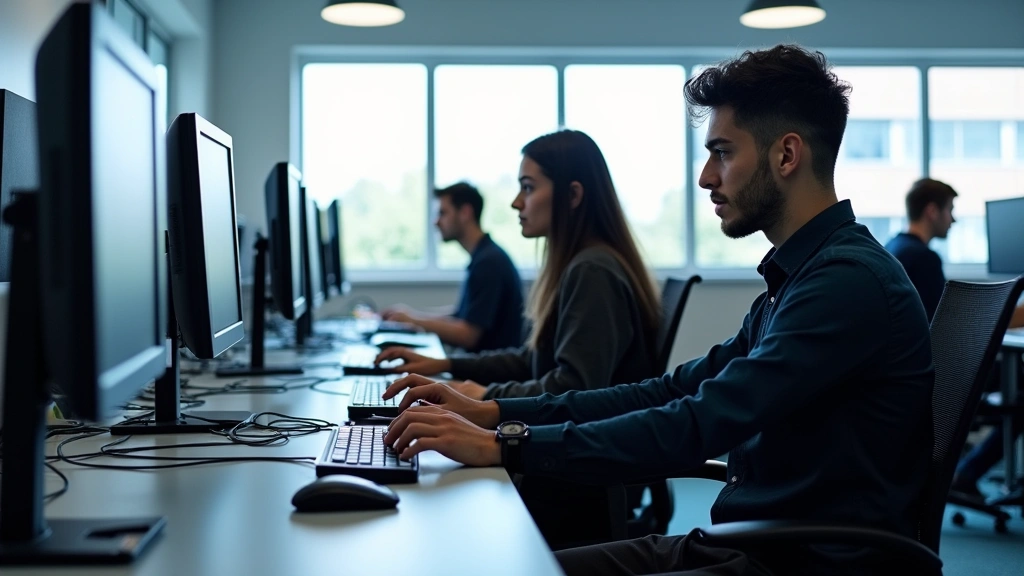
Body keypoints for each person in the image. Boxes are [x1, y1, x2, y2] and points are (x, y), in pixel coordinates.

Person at [380, 45, 935, 575]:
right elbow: (670, 392)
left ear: (786, 154)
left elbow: (699, 422)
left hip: (792, 563)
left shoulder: (845, 282)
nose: (706, 177)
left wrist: (511, 444)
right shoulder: (797, 277)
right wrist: (497, 417)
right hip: (743, 546)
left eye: (722, 152)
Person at [378, 129, 663, 548]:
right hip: (561, 460)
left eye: (527, 188)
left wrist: (487, 401)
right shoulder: (579, 265)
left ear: (573, 195)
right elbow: (532, 360)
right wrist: (447, 369)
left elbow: (574, 389)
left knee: (431, 506)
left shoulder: (593, 272)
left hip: (575, 480)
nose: (516, 203)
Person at [381, 182, 524, 352]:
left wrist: (414, 320)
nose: (436, 222)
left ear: (465, 213)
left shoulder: (488, 263)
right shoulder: (484, 256)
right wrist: (410, 317)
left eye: (443, 213)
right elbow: (462, 316)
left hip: (487, 373)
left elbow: (468, 334)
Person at [884, 178, 957, 322]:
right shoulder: (925, 259)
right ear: (932, 211)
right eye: (950, 210)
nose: (953, 219)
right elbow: (941, 323)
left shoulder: (892, 246)